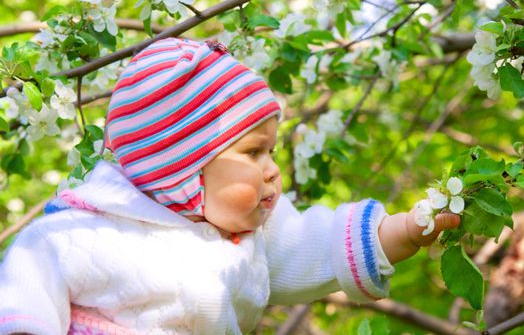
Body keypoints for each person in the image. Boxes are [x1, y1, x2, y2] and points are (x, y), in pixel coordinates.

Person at [0, 38, 460, 335]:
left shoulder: (249, 236)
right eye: (254, 152)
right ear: (180, 166)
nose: (272, 170)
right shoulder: (77, 236)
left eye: (273, 153)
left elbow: (313, 247)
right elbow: (23, 300)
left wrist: (402, 230)